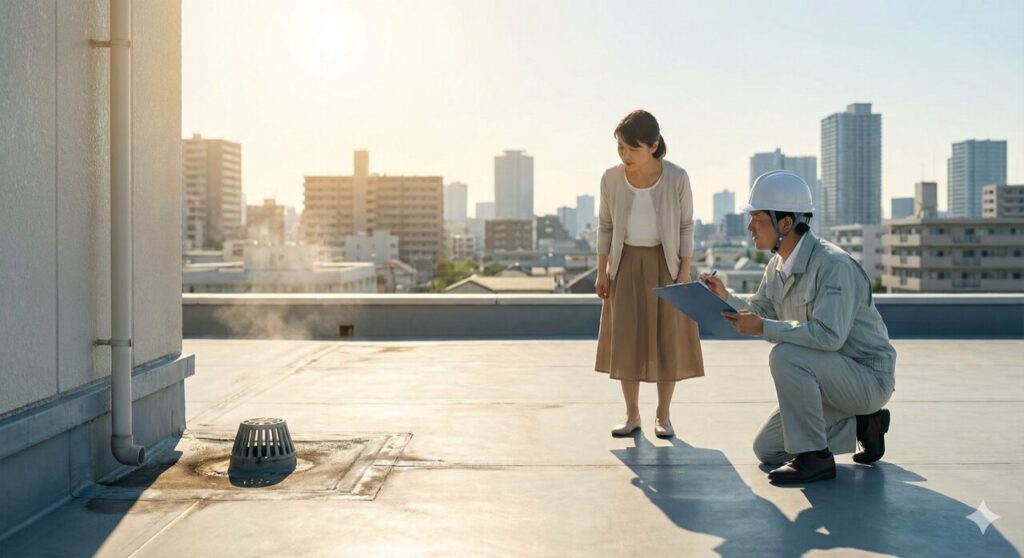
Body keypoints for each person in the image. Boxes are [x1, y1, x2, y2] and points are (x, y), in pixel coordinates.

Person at [700, 170, 896, 484]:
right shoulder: (778, 264)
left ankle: (815, 459)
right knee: (767, 449)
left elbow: (828, 336)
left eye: (758, 219)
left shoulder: (834, 266)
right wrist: (725, 297)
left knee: (786, 355)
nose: (750, 227)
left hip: (866, 378)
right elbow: (762, 308)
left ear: (786, 223)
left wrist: (764, 328)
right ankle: (863, 424)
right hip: (828, 378)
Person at [595, 109, 704, 439]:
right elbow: (605, 226)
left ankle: (663, 416)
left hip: (665, 264)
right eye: (620, 148)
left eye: (632, 149)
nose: (625, 155)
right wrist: (603, 272)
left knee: (666, 340)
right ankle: (631, 415)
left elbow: (686, 226)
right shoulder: (610, 179)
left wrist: (683, 272)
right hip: (626, 264)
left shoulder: (677, 177)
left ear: (654, 146)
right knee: (626, 339)